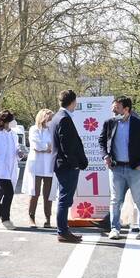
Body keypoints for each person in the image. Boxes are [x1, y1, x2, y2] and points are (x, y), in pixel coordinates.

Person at [99, 96, 140, 241]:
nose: (113, 110)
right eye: (113, 108)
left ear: (126, 109)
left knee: (139, 200)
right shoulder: (109, 123)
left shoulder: (138, 123)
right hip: (116, 168)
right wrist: (105, 156)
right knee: (116, 200)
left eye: (116, 108)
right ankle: (114, 229)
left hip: (135, 168)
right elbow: (102, 141)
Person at [53, 90, 89, 244]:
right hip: (67, 165)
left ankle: (64, 230)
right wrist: (75, 164)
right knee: (64, 199)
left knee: (65, 199)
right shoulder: (63, 119)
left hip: (63, 164)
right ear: (73, 102)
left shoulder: (58, 117)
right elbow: (66, 145)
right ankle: (62, 231)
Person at [22, 108, 56, 228]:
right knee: (34, 192)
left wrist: (47, 147)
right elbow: (36, 145)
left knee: (48, 194)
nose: (51, 121)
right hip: (36, 164)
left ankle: (48, 219)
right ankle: (32, 217)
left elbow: (55, 146)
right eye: (49, 118)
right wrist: (47, 147)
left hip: (49, 165)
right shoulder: (34, 129)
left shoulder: (53, 130)